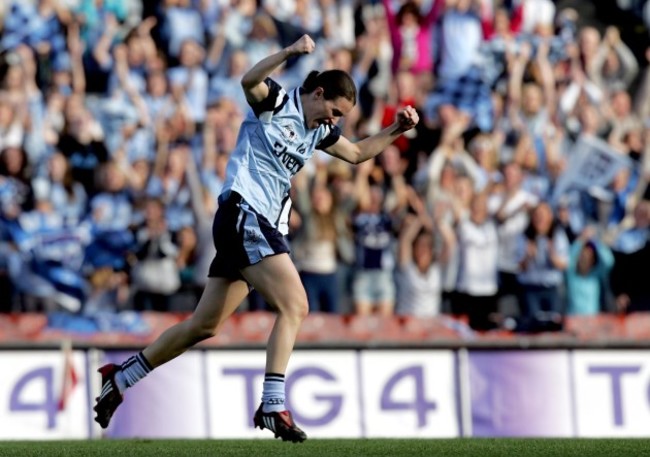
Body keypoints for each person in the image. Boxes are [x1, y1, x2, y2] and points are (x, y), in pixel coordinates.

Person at [92, 34, 419, 442]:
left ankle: (121, 378)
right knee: (295, 304)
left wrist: (396, 129)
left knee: (203, 325)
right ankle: (272, 402)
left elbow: (356, 154)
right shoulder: (278, 102)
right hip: (244, 214)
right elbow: (249, 81)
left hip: (253, 225)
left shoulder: (318, 132)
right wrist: (288, 53)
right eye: (332, 111)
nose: (333, 121)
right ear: (318, 93)